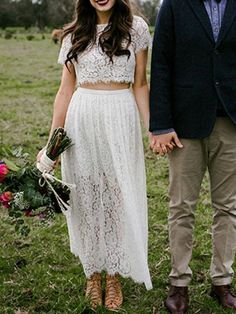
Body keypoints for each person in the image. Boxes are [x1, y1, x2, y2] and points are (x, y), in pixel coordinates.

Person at [37, 0, 153, 310]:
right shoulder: (73, 35)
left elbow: (141, 84)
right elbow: (65, 89)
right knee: (87, 193)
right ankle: (93, 272)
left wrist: (153, 128)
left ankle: (113, 274)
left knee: (116, 192)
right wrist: (53, 141)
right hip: (83, 116)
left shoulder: (136, 29)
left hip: (121, 116)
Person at [150, 0, 236, 313]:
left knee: (228, 206)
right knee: (181, 206)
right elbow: (160, 64)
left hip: (231, 121)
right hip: (184, 125)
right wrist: (160, 123)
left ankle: (222, 281)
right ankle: (179, 283)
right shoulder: (174, 5)